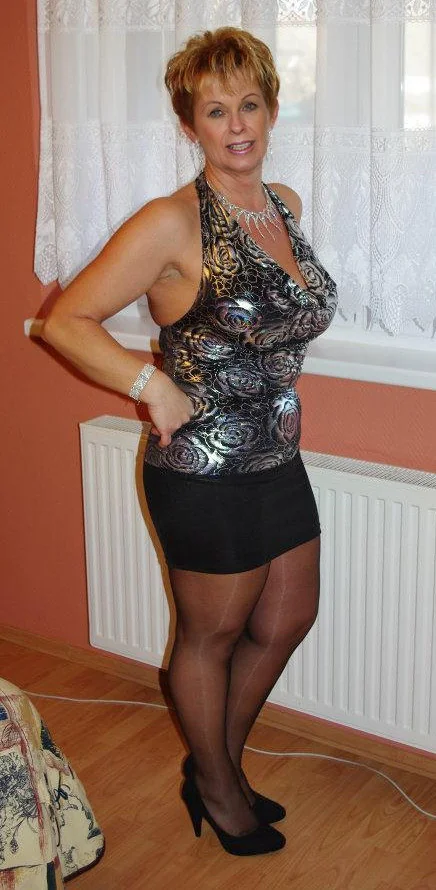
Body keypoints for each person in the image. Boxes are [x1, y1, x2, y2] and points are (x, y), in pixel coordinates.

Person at [42, 27, 338, 857]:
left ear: (272, 111)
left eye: (249, 104)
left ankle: (216, 764)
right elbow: (66, 320)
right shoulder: (170, 223)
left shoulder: (284, 204)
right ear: (190, 124)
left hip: (277, 455)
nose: (236, 124)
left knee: (290, 617)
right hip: (201, 469)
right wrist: (150, 384)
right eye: (215, 110)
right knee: (211, 636)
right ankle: (217, 785)